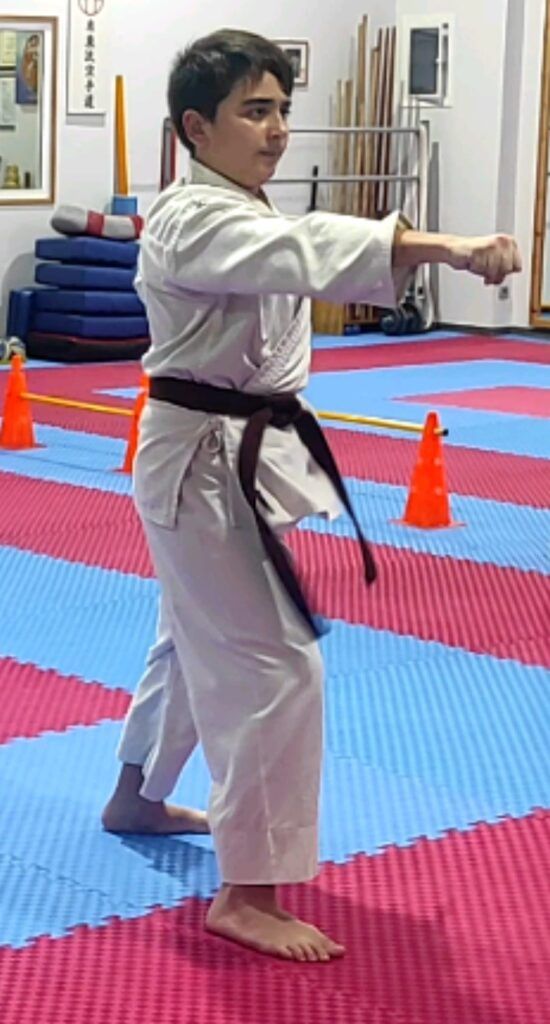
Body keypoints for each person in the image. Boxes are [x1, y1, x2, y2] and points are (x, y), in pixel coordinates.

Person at [102, 29, 522, 963]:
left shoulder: (237, 203)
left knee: (191, 636)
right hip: (200, 463)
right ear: (196, 127)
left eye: (283, 109)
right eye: (256, 111)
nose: (279, 129)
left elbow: (288, 248)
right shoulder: (192, 216)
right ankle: (247, 892)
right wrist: (447, 247)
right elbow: (299, 247)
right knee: (278, 665)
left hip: (223, 455)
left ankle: (135, 794)